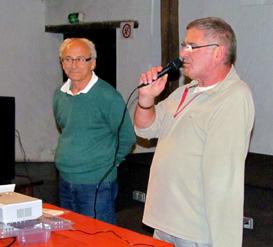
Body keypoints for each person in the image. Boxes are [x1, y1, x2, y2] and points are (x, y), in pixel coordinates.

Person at [134, 17, 255, 247]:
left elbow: (223, 179)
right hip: (165, 222)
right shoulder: (185, 92)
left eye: (191, 46)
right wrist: (146, 99)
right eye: (183, 45)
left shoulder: (233, 97)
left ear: (218, 53)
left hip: (194, 230)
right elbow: (145, 128)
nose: (182, 54)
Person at [53, 38, 136, 224]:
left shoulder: (108, 96)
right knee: (69, 237)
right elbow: (65, 127)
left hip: (97, 183)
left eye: (81, 59)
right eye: (68, 59)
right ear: (62, 63)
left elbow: (127, 137)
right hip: (65, 179)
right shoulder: (59, 95)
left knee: (98, 237)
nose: (73, 65)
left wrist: (109, 164)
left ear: (93, 63)